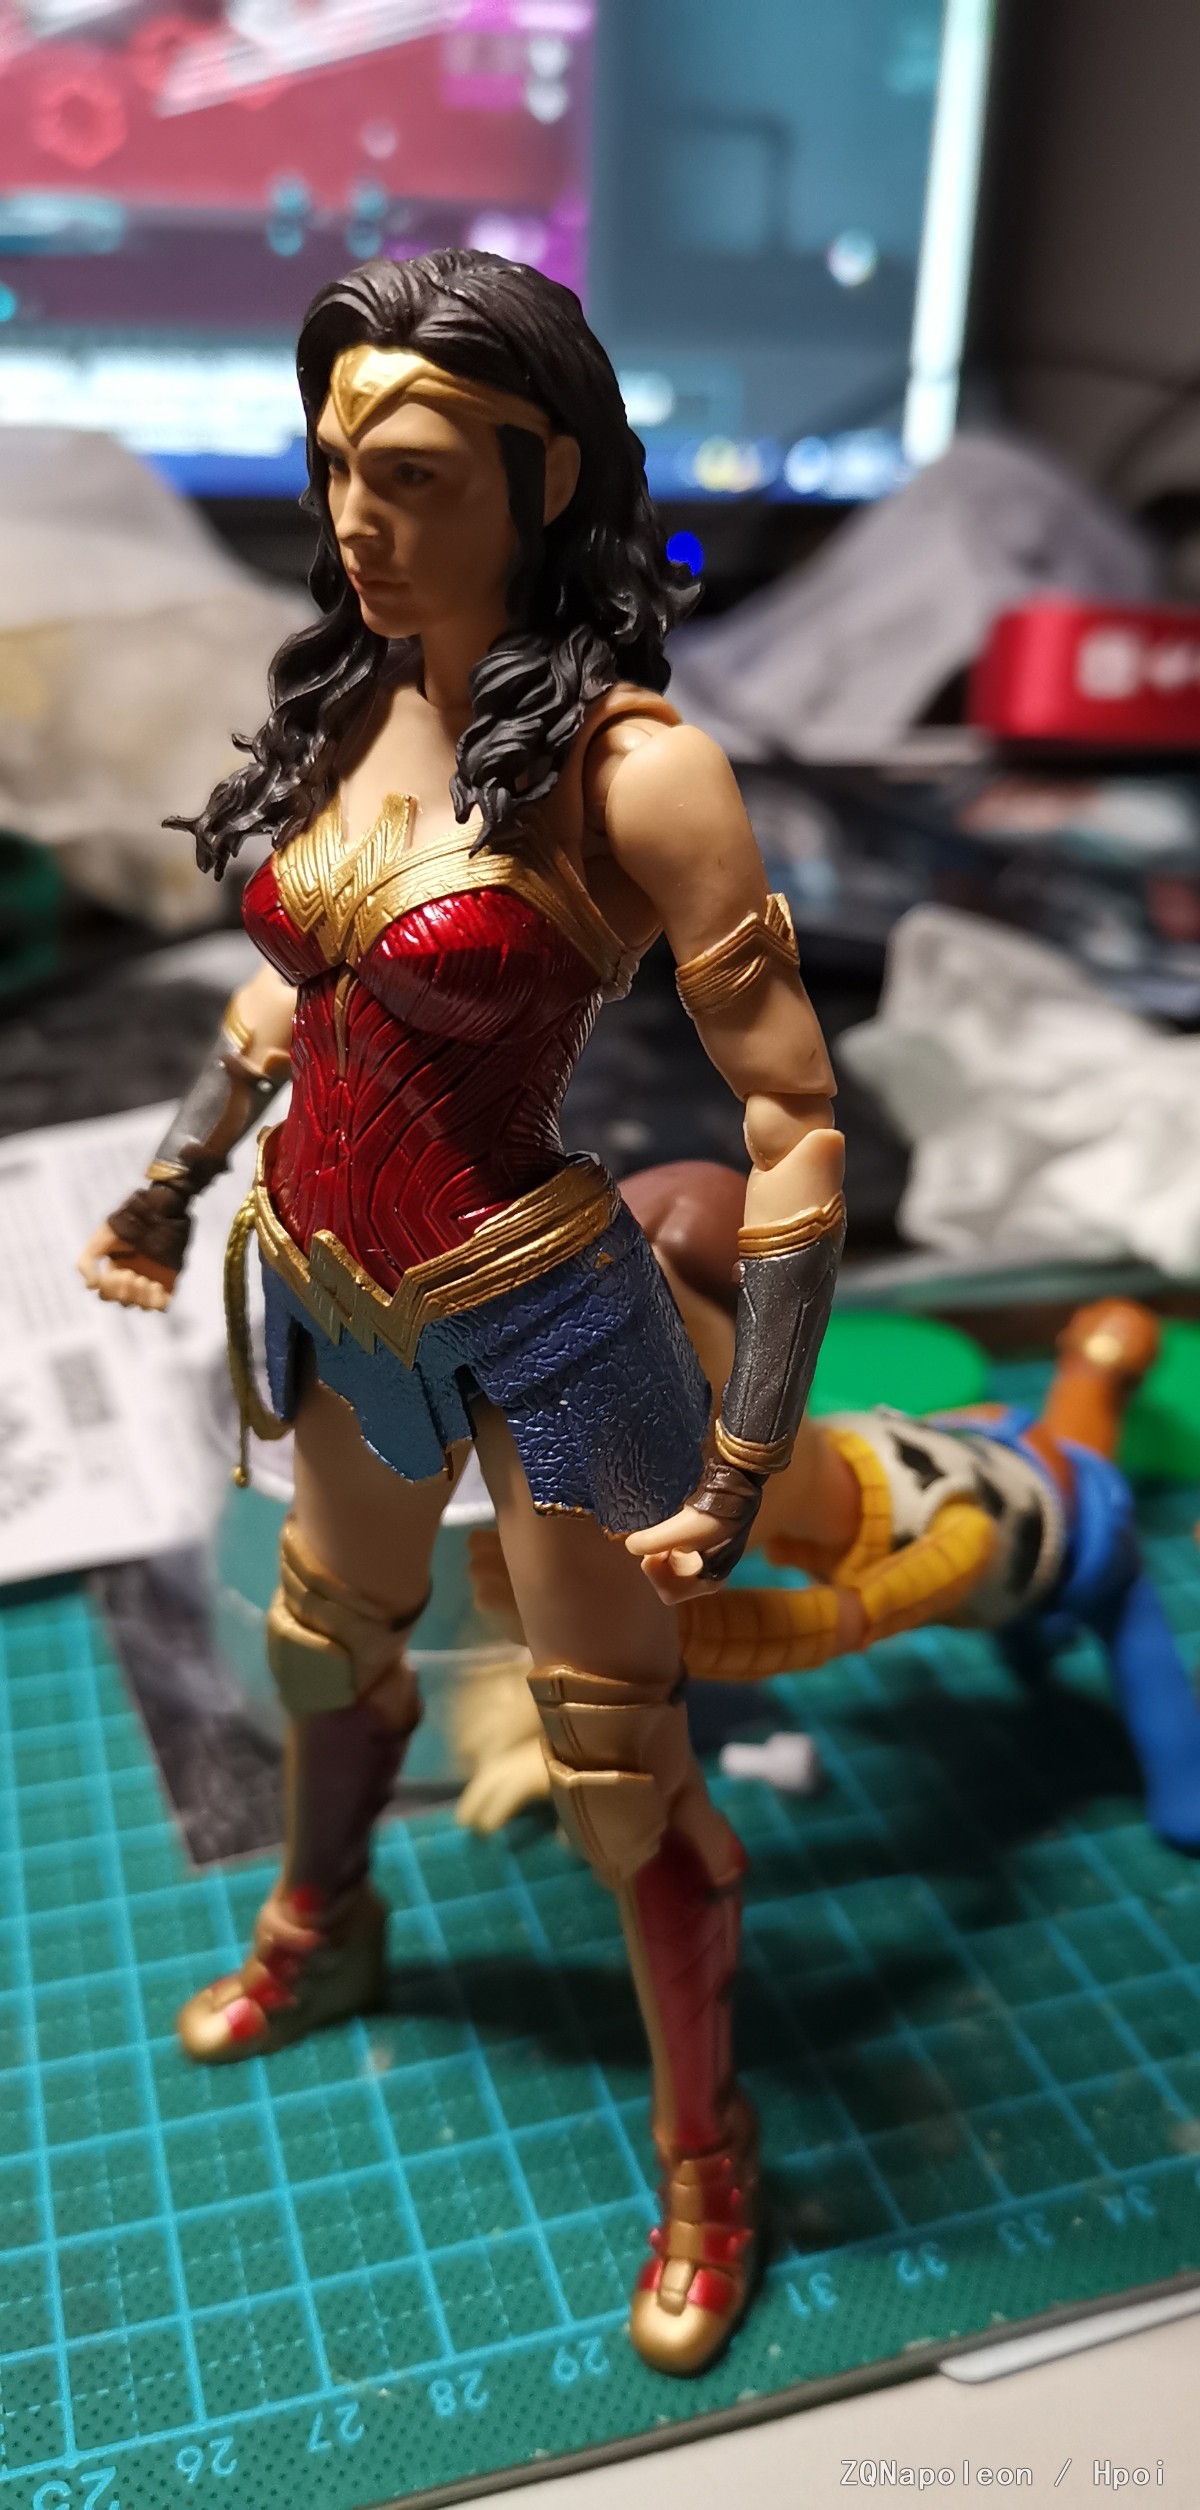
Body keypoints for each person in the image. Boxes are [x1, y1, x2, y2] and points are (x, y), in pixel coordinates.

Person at [77, 254, 846, 2376]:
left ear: (546, 476)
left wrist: (751, 1442)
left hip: (546, 1324)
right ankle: (322, 1922)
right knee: (325, 1649)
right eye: (340, 465)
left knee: (617, 1768)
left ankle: (709, 2150)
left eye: (411, 474)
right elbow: (294, 999)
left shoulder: (634, 772)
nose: (357, 517)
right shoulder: (346, 701)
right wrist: (169, 1177)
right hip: (335, 1293)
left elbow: (794, 1119)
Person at [460, 1163, 1200, 1860]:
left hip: (1086, 1543)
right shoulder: (824, 1456)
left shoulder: (948, 1537)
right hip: (983, 1445)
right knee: (1029, 1637)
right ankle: (1098, 1371)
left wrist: (613, 1643)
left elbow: (819, 1628)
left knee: (1144, 1692)